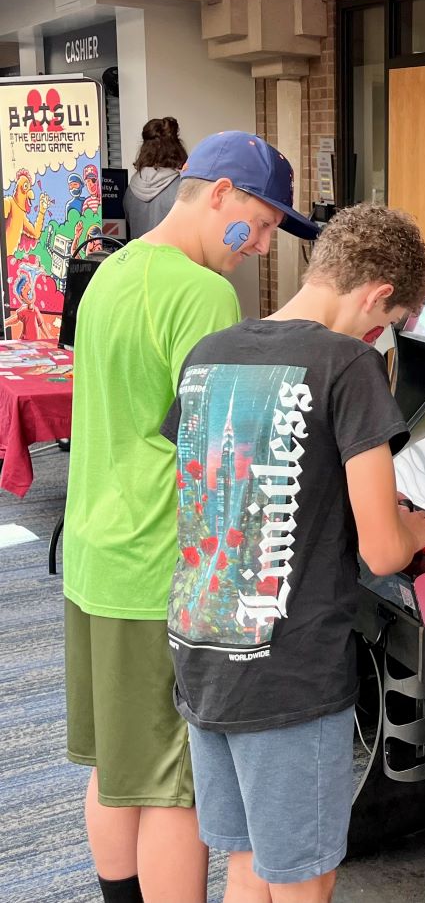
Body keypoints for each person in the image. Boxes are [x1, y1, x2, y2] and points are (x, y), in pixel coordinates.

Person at [162, 202, 425, 903]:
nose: (381, 338)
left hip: (204, 648)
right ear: (377, 295)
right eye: (389, 323)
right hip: (290, 673)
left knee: (246, 861)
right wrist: (419, 529)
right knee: (304, 879)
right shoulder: (350, 365)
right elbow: (383, 551)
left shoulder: (210, 353)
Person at [63, 130, 317, 903]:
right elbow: (224, 455)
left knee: (119, 766)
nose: (263, 245)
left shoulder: (113, 270)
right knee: (178, 787)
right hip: (161, 569)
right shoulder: (204, 295)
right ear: (220, 195)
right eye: (261, 224)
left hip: (95, 557)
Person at [125, 118, 188, 240]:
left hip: (137, 252)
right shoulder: (182, 187)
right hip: (171, 252)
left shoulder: (130, 190)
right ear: (176, 147)